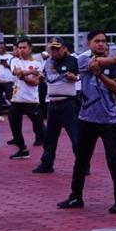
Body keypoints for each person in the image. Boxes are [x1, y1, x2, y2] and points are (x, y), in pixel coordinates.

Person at [58, 30, 116, 213]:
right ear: (89, 43)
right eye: (97, 41)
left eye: (104, 41)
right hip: (87, 118)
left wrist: (100, 75)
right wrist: (114, 60)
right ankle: (75, 197)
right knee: (81, 160)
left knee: (114, 160)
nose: (101, 44)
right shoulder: (81, 59)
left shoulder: (114, 65)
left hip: (110, 120)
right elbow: (93, 63)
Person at [34, 38, 79, 174]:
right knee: (50, 136)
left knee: (75, 136)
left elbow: (76, 76)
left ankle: (83, 164)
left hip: (68, 103)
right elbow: (44, 76)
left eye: (57, 48)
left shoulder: (72, 60)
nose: (55, 51)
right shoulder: (48, 62)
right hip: (53, 103)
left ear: (64, 48)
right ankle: (47, 164)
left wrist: (74, 77)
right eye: (52, 49)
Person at [7, 38, 45, 160]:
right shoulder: (14, 60)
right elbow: (16, 72)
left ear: (30, 48)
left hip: (32, 100)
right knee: (14, 126)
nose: (21, 50)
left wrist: (23, 75)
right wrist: (29, 73)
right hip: (16, 99)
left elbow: (34, 82)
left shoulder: (37, 64)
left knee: (39, 127)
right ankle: (22, 149)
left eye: (24, 47)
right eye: (19, 48)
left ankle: (48, 152)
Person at [0, 41, 14, 120]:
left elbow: (14, 69)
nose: (0, 49)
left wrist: (7, 65)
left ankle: (13, 112)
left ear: (5, 48)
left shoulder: (11, 57)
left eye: (2, 47)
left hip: (8, 81)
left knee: (10, 96)